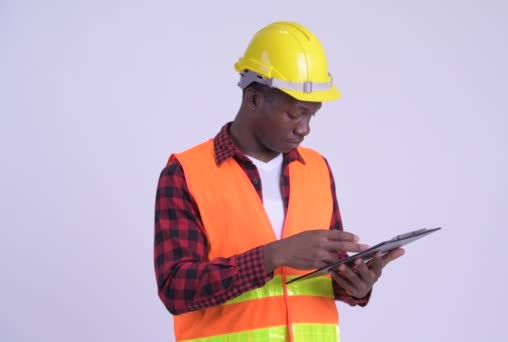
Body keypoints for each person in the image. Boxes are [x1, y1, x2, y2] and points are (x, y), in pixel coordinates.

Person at [153, 21, 405, 342]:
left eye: (312, 115)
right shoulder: (187, 172)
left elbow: (327, 274)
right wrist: (272, 256)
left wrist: (355, 285)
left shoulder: (317, 168)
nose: (305, 128)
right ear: (254, 98)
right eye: (295, 114)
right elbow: (176, 289)